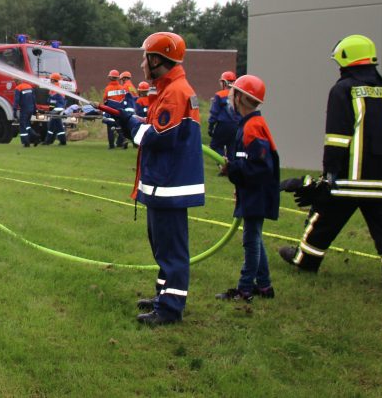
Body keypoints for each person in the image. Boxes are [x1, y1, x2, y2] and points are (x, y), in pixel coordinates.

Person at [278, 35, 382, 293]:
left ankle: (304, 260)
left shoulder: (342, 90)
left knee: (323, 220)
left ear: (346, 60)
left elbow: (337, 138)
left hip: (349, 181)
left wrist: (329, 175)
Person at [110, 32, 204, 325]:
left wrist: (129, 123)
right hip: (163, 183)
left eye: (144, 58)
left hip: (170, 185)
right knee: (162, 246)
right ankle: (164, 297)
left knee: (172, 250)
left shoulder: (175, 91)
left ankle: (170, 309)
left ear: (156, 59)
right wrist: (131, 120)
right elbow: (155, 127)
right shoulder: (168, 88)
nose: (141, 64)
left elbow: (160, 137)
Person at [216, 75, 280, 301]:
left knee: (250, 240)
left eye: (233, 93)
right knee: (255, 237)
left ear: (241, 98)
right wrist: (236, 172)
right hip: (252, 191)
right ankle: (264, 286)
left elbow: (260, 167)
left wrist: (232, 170)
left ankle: (244, 289)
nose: (229, 97)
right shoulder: (249, 125)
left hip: (257, 193)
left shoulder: (252, 127)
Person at [208, 71, 240, 156]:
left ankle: (222, 164)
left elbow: (214, 113)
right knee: (232, 149)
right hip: (236, 126)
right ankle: (231, 166)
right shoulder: (238, 95)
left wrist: (211, 126)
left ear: (224, 82)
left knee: (214, 145)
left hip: (223, 125)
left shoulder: (219, 95)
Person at [103, 69, 128, 150]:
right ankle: (123, 139)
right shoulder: (122, 88)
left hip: (110, 111)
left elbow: (105, 100)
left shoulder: (108, 88)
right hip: (120, 111)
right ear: (117, 78)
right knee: (119, 127)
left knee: (110, 127)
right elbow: (124, 99)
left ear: (110, 77)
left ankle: (111, 145)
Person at [43, 73, 68, 146]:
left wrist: (49, 99)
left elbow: (52, 99)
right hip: (57, 108)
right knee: (59, 125)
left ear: (53, 80)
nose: (50, 80)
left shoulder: (55, 87)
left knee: (51, 125)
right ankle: (63, 141)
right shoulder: (57, 87)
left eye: (51, 79)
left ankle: (47, 141)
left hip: (57, 109)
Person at [13, 77, 37, 148]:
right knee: (27, 126)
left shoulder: (18, 88)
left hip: (24, 110)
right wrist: (35, 110)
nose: (15, 83)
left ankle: (26, 143)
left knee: (22, 126)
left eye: (15, 81)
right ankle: (35, 138)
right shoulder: (29, 86)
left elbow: (16, 100)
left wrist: (14, 110)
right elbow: (34, 99)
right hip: (31, 109)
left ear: (17, 81)